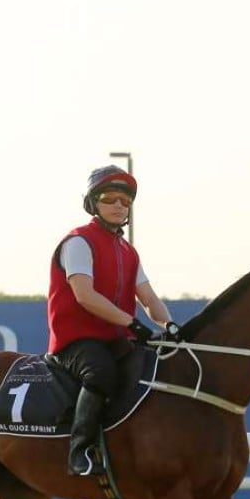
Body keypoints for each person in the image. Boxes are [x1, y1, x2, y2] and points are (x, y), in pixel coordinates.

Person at [47, 166, 179, 476]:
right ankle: (79, 451)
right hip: (75, 342)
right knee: (101, 372)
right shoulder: (78, 241)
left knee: (153, 366)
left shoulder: (129, 252)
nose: (119, 205)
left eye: (125, 201)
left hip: (115, 339)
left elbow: (149, 299)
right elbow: (85, 295)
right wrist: (132, 323)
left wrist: (170, 325)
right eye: (109, 198)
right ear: (93, 203)